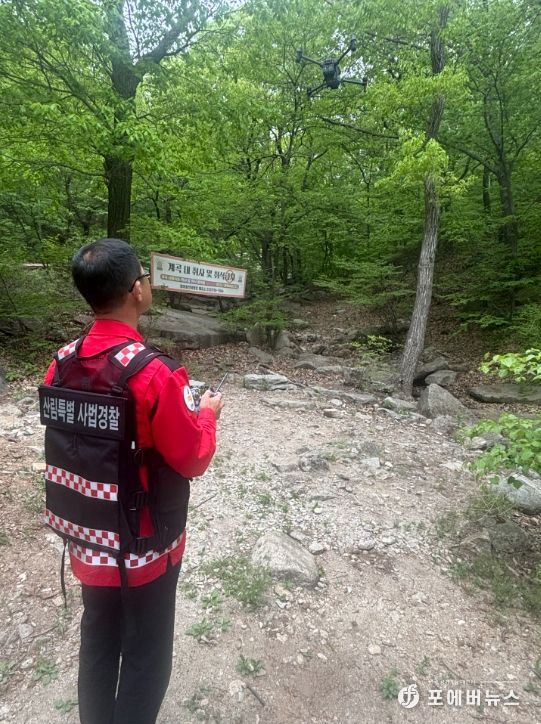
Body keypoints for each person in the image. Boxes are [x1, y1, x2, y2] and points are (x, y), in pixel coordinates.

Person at [42, 238, 223, 724]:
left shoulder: (60, 363)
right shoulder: (155, 374)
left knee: (98, 638)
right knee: (147, 654)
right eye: (144, 276)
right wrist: (207, 414)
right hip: (145, 550)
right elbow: (193, 458)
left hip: (87, 540)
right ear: (135, 291)